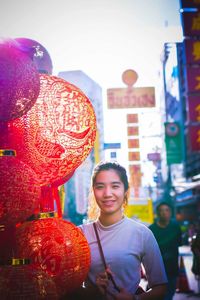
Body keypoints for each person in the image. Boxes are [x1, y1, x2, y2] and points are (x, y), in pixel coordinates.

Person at [78, 161, 167, 300]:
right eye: (100, 187)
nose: (107, 193)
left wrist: (134, 299)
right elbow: (68, 289)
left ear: (125, 190)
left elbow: (160, 288)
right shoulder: (79, 235)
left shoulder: (142, 234)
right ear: (93, 191)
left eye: (115, 186)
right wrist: (92, 290)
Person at [149, 202, 182, 300]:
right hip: (157, 268)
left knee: (170, 292)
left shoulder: (175, 227)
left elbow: (179, 243)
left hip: (172, 266)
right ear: (157, 213)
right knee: (158, 294)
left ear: (170, 213)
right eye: (161, 210)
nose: (164, 213)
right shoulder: (152, 229)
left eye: (166, 210)